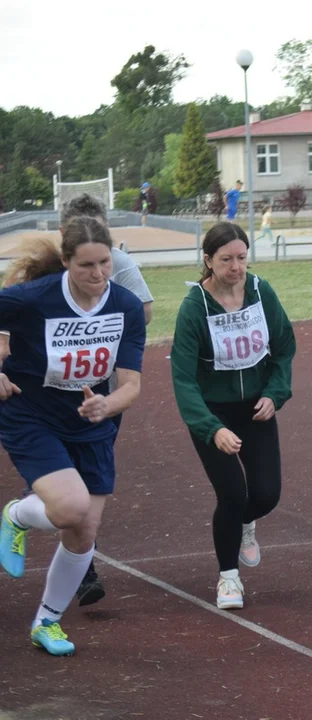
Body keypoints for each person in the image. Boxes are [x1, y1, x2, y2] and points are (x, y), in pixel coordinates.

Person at [0, 216, 147, 655]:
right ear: (66, 262)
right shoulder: (31, 299)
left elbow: (132, 386)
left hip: (91, 422)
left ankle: (47, 622)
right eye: (86, 265)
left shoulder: (126, 306)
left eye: (105, 262)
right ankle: (17, 516)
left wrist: (107, 404)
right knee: (70, 508)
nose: (98, 274)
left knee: (84, 531)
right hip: (31, 414)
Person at [170, 222, 296, 610]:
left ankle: (244, 525)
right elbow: (183, 379)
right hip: (212, 412)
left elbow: (284, 347)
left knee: (266, 494)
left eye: (242, 257)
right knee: (232, 493)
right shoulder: (195, 308)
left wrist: (275, 394)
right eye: (226, 259)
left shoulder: (261, 292)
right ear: (208, 261)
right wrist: (210, 428)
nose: (236, 267)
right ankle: (228, 578)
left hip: (256, 408)